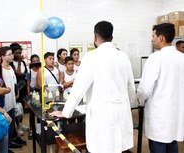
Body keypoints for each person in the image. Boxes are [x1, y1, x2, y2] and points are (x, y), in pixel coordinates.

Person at [50, 21, 135, 153]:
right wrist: (128, 104)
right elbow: (131, 88)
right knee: (119, 147)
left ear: (95, 37)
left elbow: (78, 88)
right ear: (111, 37)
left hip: (102, 115)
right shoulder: (123, 56)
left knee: (102, 147)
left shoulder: (91, 57)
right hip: (121, 113)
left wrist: (66, 112)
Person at [137, 23, 184, 153]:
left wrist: (140, 99)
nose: (152, 39)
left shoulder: (155, 58)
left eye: (153, 36)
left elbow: (145, 89)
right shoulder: (182, 58)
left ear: (161, 38)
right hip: (176, 117)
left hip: (160, 119)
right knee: (172, 146)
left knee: (159, 147)